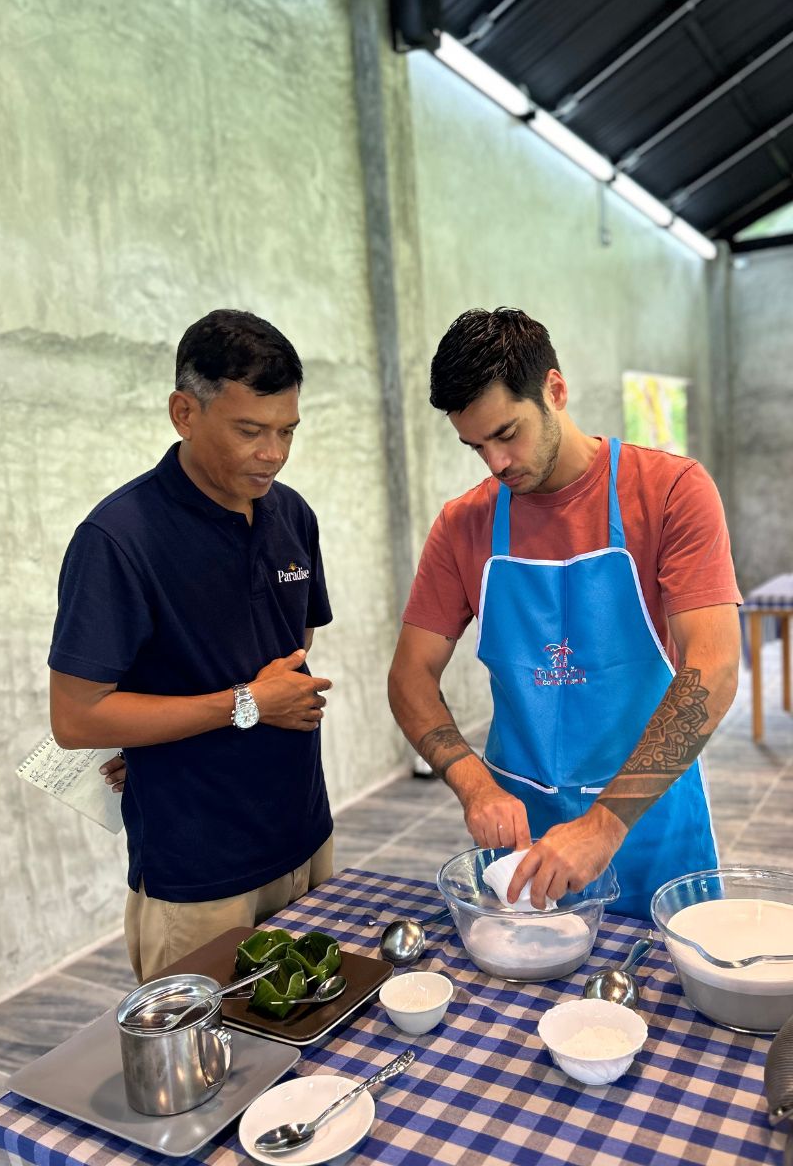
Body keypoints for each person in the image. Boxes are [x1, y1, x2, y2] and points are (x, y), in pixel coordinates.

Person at [388, 307, 741, 920]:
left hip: (650, 823)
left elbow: (714, 670)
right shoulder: (463, 525)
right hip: (521, 847)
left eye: (507, 433)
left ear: (555, 390)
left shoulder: (670, 491)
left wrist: (604, 825)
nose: (495, 463)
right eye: (476, 446)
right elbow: (409, 679)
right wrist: (474, 785)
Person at [49, 309, 334, 980]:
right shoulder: (119, 539)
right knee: (209, 1073)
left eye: (287, 431)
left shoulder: (291, 514)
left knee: (316, 1054)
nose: (273, 453)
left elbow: (294, 637)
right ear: (184, 412)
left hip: (305, 837)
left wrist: (217, 702)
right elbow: (75, 719)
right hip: (201, 871)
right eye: (249, 431)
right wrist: (245, 704)